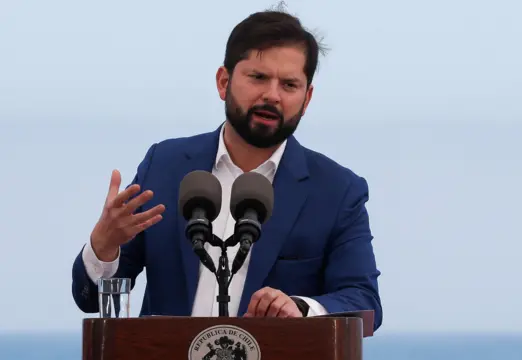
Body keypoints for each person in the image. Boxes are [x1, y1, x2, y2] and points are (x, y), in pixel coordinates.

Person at [71, 6, 383, 331]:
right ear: (224, 82)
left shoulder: (337, 191)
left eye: (289, 85)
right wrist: (103, 247)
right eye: (258, 78)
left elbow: (364, 303)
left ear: (306, 99)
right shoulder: (165, 166)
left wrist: (300, 308)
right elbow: (93, 299)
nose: (272, 95)